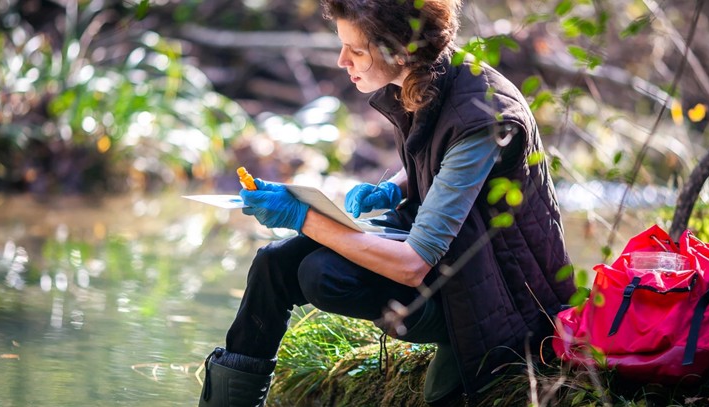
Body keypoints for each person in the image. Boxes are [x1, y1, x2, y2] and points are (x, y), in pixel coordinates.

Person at [198, 0, 576, 405]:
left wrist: (302, 216)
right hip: (458, 254)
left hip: (499, 293)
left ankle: (460, 337)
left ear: (401, 48)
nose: (343, 60)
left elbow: (413, 264)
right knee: (275, 264)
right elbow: (439, 157)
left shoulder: (485, 117)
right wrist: (396, 187)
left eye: (356, 50)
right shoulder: (431, 77)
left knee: (324, 276)